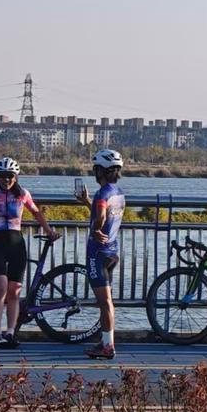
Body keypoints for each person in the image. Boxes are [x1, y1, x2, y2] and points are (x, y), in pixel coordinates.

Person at [0, 157, 59, 348]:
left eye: (10, 176)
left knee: (14, 292)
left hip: (17, 244)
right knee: (0, 288)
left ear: (16, 176)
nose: (6, 179)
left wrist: (49, 231)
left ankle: (10, 333)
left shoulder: (23, 194)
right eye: (2, 176)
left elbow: (36, 213)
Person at [75, 148, 125, 360]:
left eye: (95, 169)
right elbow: (104, 213)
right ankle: (106, 341)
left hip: (98, 253)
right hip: (113, 252)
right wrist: (88, 203)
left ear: (100, 171)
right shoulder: (118, 192)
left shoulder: (102, 193)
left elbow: (102, 216)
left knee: (105, 303)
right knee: (107, 301)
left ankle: (108, 347)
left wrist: (96, 229)